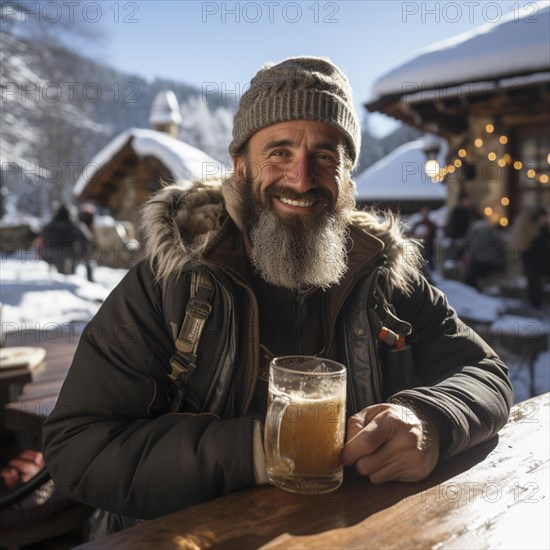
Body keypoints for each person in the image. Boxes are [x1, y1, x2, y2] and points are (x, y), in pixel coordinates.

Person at [42, 57, 513, 534]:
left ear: (348, 176)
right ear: (240, 166)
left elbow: (484, 372)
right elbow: (79, 448)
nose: (302, 178)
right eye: (280, 152)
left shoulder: (385, 276)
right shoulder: (172, 281)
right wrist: (259, 450)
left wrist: (431, 419)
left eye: (326, 156)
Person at [40, 205, 89, 276]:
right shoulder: (74, 225)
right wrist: (84, 252)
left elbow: (42, 238)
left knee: (61, 272)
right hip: (69, 253)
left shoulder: (50, 225)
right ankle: (69, 275)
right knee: (68, 270)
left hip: (51, 252)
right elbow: (85, 238)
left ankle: (59, 274)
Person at [462, 216, 506, 289]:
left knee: (471, 274)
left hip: (484, 263)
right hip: (498, 263)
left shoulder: (475, 231)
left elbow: (470, 247)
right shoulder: (494, 232)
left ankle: (469, 291)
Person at [521, 208, 550, 309]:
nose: (545, 219)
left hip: (543, 260)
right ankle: (535, 303)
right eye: (543, 217)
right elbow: (527, 247)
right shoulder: (532, 229)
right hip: (532, 260)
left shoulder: (545, 230)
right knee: (533, 277)